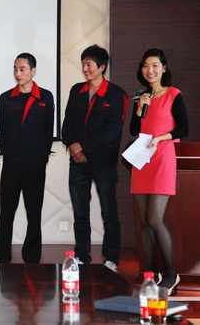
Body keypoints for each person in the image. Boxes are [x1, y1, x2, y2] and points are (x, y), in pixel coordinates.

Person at [61, 44, 128, 272]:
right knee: (80, 212)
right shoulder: (76, 91)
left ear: (101, 67)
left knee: (109, 213)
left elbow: (112, 131)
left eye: (89, 64)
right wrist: (73, 146)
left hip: (103, 163)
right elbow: (68, 124)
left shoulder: (116, 94)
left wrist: (84, 149)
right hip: (77, 163)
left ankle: (111, 258)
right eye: (83, 64)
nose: (85, 69)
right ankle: (81, 255)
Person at [130, 48, 187, 294]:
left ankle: (172, 274)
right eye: (145, 65)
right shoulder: (140, 96)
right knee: (143, 221)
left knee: (155, 219)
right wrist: (139, 109)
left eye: (154, 65)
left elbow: (183, 128)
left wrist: (161, 138)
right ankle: (151, 275)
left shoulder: (174, 94)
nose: (149, 70)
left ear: (164, 68)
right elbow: (134, 129)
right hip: (142, 158)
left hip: (163, 156)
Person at [0, 53, 54, 264]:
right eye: (15, 69)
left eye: (22, 69)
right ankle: (2, 258)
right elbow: (2, 131)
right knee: (6, 213)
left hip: (35, 165)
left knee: (34, 213)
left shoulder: (45, 97)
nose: (18, 73)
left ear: (33, 71)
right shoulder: (5, 98)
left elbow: (48, 130)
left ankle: (32, 257)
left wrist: (42, 155)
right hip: (11, 164)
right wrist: (8, 152)